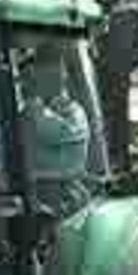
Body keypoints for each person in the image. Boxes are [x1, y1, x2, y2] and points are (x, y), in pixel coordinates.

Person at [19, 42, 91, 216]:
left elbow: (51, 130)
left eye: (35, 77)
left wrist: (32, 100)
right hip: (31, 196)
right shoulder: (27, 114)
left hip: (62, 199)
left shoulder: (73, 112)